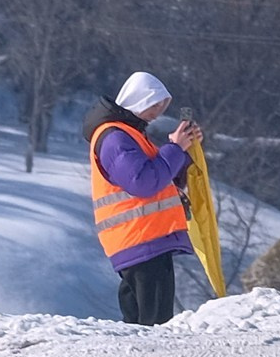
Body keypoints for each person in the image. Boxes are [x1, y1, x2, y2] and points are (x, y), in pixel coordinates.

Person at [86, 71, 202, 326]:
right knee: (154, 323)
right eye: (155, 105)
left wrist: (180, 151)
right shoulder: (115, 138)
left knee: (139, 323)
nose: (158, 112)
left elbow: (160, 180)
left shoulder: (129, 135)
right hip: (141, 239)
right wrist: (175, 149)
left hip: (140, 239)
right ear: (139, 100)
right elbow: (144, 182)